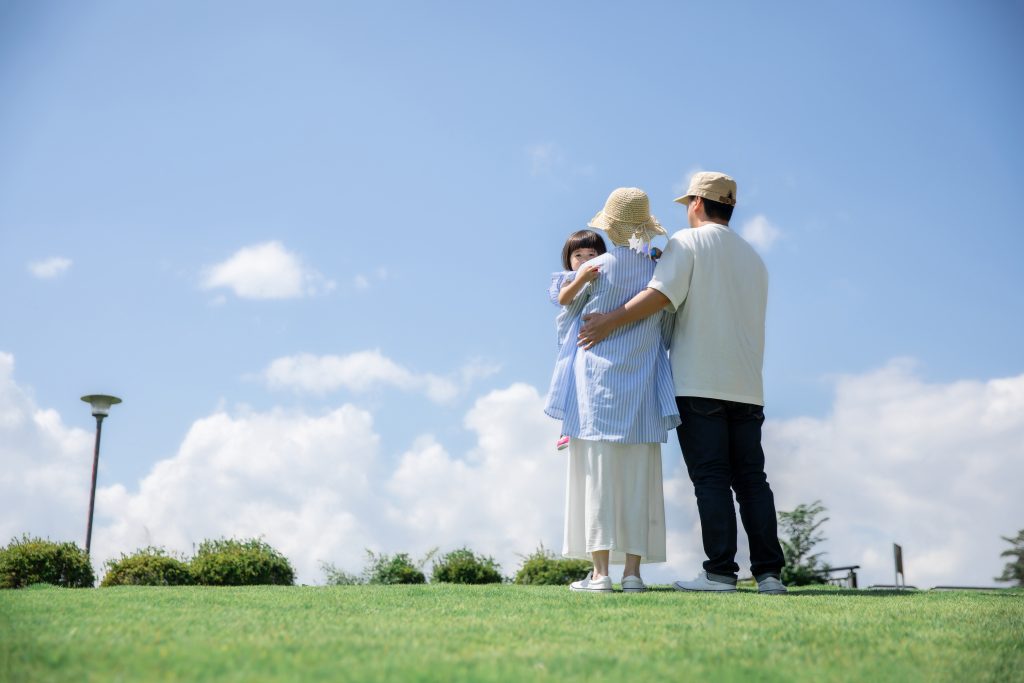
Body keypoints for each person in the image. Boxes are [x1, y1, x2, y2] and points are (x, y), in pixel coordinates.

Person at [577, 172, 788, 595]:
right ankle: (769, 575)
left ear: (696, 203)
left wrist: (608, 321)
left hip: (699, 381)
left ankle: (720, 573)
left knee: (711, 479)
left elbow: (660, 295)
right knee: (752, 481)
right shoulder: (754, 257)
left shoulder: (686, 242)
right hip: (748, 386)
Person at [545, 187, 679, 593]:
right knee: (639, 479)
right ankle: (633, 574)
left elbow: (565, 311)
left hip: (595, 389)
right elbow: (668, 326)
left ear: (610, 225)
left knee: (597, 479)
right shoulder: (658, 269)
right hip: (642, 386)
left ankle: (600, 574)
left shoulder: (595, 267)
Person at [546, 230, 607, 450]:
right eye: (578, 255)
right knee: (570, 380)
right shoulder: (569, 278)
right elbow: (564, 299)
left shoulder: (605, 273)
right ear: (569, 259)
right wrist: (581, 279)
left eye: (591, 254)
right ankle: (567, 429)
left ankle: (580, 425)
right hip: (573, 336)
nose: (585, 260)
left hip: (592, 334)